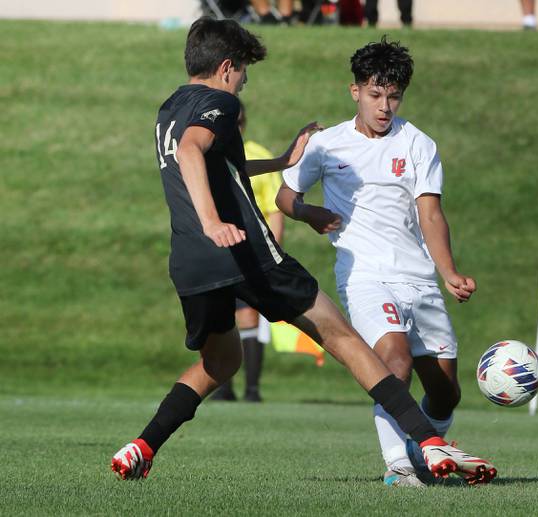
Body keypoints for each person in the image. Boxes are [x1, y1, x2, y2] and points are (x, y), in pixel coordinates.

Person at [109, 17, 497, 485]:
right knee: (343, 337)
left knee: (219, 363)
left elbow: (215, 162)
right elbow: (194, 151)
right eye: (245, 72)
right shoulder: (220, 102)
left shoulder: (169, 108)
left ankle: (143, 445)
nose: (244, 82)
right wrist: (214, 222)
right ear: (227, 68)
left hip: (190, 264)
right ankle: (429, 444)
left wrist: (280, 162)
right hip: (244, 251)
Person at [277, 37, 477, 487]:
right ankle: (400, 467)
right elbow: (286, 195)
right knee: (394, 361)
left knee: (446, 392)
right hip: (364, 275)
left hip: (419, 277)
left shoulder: (419, 144)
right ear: (355, 92)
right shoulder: (327, 145)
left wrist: (447, 273)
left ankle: (424, 451)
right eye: (375, 95)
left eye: (393, 96)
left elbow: (430, 213)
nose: (384, 106)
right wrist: (308, 214)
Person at [210, 102, 284, 403]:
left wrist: (273, 251)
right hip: (218, 249)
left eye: (239, 121)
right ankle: (223, 387)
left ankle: (252, 389)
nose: (235, 127)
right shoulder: (209, 153)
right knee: (221, 318)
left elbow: (273, 209)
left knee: (250, 316)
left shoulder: (258, 156)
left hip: (252, 250)